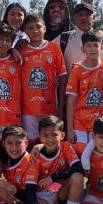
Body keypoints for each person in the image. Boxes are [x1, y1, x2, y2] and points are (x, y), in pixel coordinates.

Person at [25, 116, 86, 204]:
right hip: (43, 194)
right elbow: (30, 186)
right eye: (45, 136)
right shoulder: (36, 155)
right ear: (40, 137)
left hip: (58, 189)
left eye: (54, 135)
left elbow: (78, 168)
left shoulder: (66, 146)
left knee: (78, 177)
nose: (50, 139)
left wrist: (54, 177)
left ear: (62, 135)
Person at [65, 31, 103, 153]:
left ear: (101, 48)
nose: (92, 49)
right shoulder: (77, 70)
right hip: (80, 124)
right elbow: (70, 102)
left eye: (95, 45)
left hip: (100, 124)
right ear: (83, 49)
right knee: (81, 154)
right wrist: (70, 129)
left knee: (97, 156)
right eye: (88, 45)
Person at [20, 14, 68, 142]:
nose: (35, 31)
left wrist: (61, 106)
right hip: (28, 108)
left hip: (49, 105)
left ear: (45, 28)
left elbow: (63, 76)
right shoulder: (22, 51)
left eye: (38, 27)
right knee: (30, 142)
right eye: (30, 28)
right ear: (25, 31)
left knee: (50, 141)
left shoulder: (54, 48)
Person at [55, 2, 103, 70]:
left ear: (94, 18)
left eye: (87, 14)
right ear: (74, 19)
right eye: (80, 14)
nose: (83, 17)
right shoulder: (63, 39)